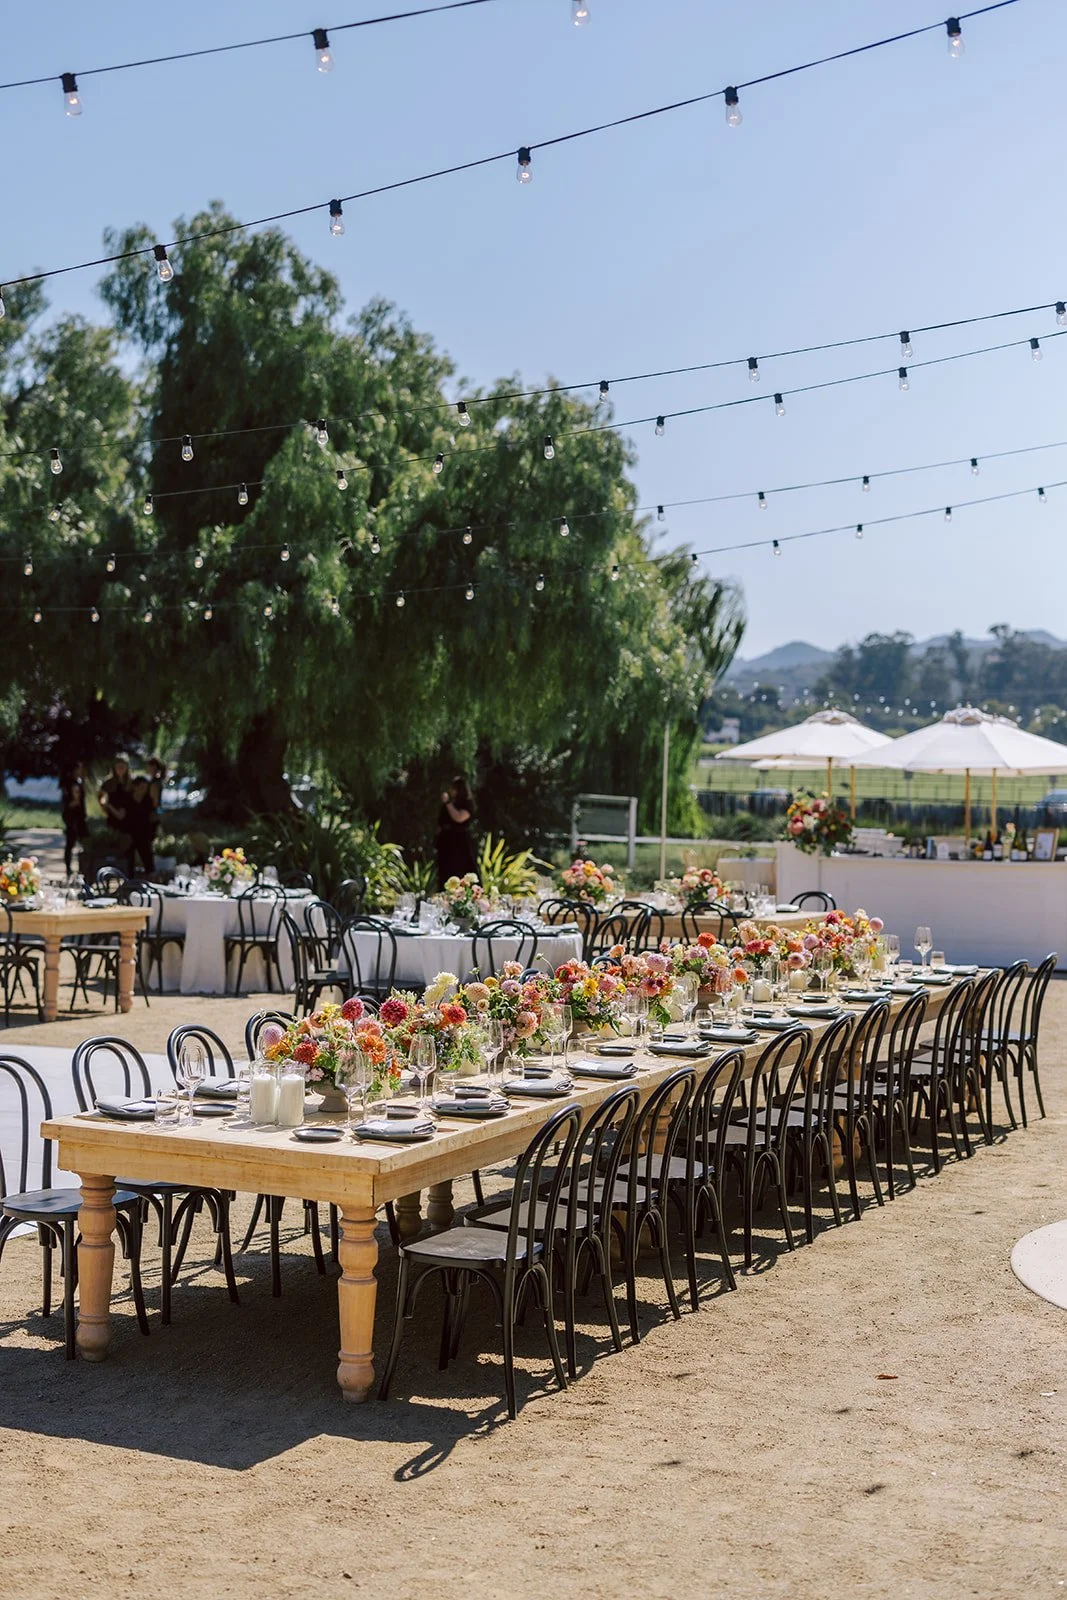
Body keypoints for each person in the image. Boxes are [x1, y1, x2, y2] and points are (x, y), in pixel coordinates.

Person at [436, 776, 478, 888]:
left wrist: (448, 803)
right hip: (446, 842)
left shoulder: (467, 803)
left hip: (460, 842)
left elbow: (459, 818)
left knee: (461, 869)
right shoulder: (448, 805)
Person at [123, 775, 156, 877]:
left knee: (147, 857)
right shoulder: (128, 799)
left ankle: (150, 877)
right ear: (135, 787)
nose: (144, 790)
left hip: (144, 832)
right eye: (142, 787)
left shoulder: (148, 800)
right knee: (129, 860)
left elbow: (151, 816)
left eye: (145, 788)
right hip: (130, 832)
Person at [60, 761, 88, 876]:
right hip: (72, 816)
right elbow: (68, 803)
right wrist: (75, 800)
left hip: (80, 816)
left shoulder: (79, 782)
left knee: (83, 842)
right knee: (70, 842)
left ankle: (83, 867)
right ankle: (68, 868)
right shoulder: (69, 784)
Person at [98, 757, 132, 832]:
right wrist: (105, 806)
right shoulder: (108, 783)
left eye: (122, 767)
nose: (120, 769)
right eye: (118, 767)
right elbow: (101, 796)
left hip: (128, 815)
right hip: (112, 813)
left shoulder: (131, 782)